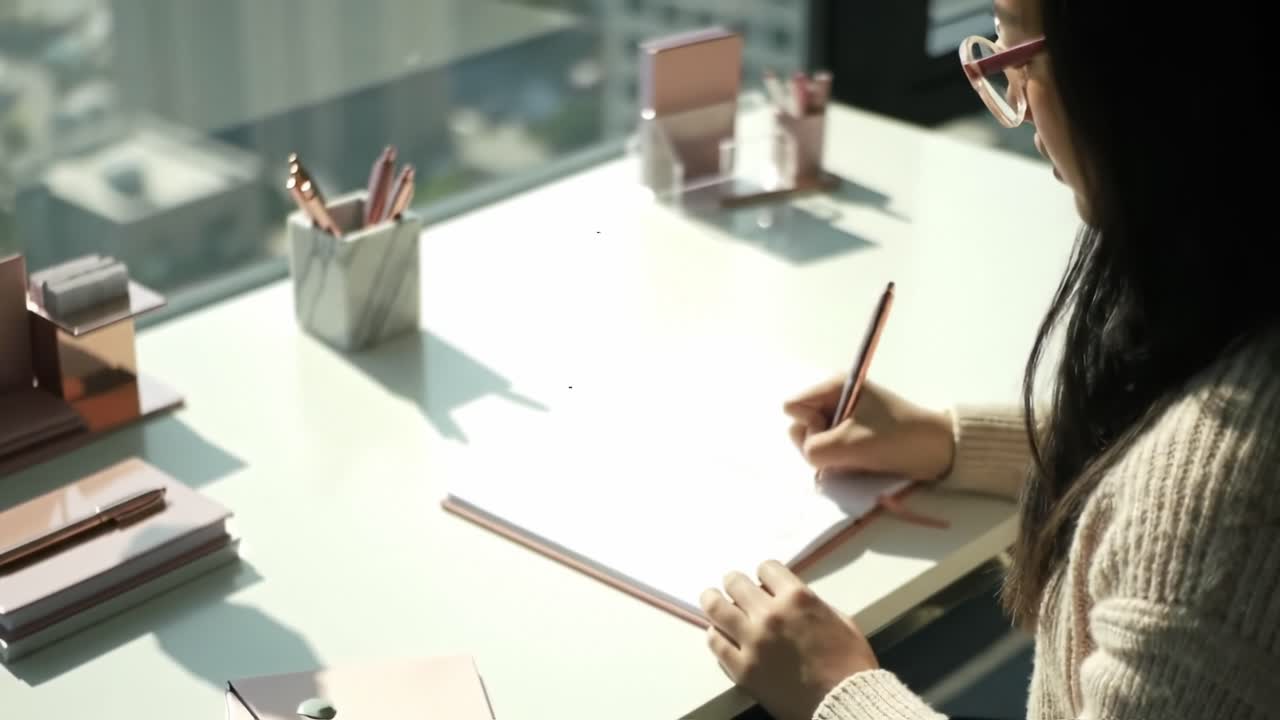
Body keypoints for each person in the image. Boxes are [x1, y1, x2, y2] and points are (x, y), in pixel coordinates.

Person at [697, 0, 1279, 718]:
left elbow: (1181, 500)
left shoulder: (1227, 500)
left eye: (1016, 51)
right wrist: (952, 442)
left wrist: (837, 689)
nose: (1020, 103)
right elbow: (1145, 479)